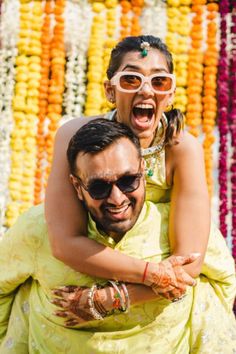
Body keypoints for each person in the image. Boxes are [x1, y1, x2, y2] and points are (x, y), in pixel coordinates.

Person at [0, 119, 235, 354]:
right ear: (77, 187)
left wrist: (111, 299)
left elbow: (221, 285)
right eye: (99, 187)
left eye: (128, 180)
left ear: (143, 170)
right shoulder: (37, 230)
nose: (117, 199)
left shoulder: (176, 231)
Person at [45, 35, 211, 296]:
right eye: (131, 79)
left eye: (159, 81)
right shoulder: (74, 137)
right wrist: (149, 273)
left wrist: (114, 300)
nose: (146, 91)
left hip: (159, 293)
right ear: (110, 91)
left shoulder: (181, 149)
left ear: (169, 96)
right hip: (88, 267)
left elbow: (188, 263)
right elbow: (64, 241)